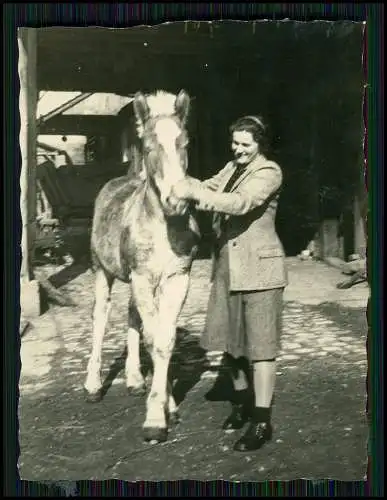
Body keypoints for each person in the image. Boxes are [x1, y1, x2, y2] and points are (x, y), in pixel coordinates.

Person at [170, 115, 288, 452]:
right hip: (227, 268)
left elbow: (240, 203)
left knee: (262, 349)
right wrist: (180, 179)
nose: (238, 150)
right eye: (235, 143)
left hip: (261, 271)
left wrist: (193, 192)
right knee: (230, 343)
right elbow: (208, 186)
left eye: (245, 145)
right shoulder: (230, 167)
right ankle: (241, 403)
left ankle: (262, 419)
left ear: (259, 145)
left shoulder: (269, 172)